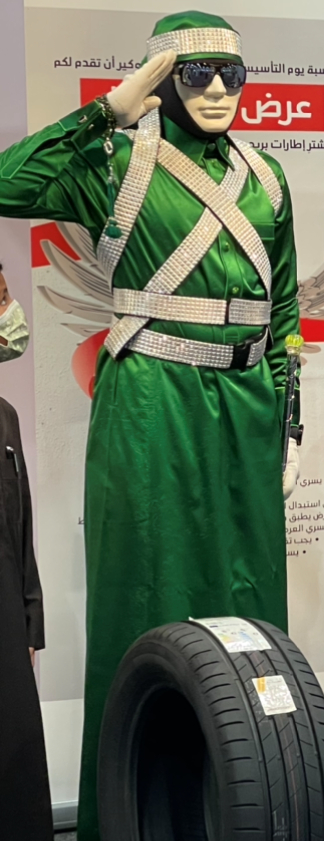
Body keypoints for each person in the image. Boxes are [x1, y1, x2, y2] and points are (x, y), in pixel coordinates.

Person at [0, 12, 302, 837]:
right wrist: (109, 109)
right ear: (162, 80)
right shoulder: (115, 163)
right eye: (195, 74)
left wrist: (291, 420)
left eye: (231, 75)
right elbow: (7, 184)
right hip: (150, 399)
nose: (217, 90)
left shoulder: (269, 177)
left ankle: (243, 807)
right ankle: (139, 818)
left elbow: (282, 313)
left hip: (247, 403)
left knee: (249, 606)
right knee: (148, 594)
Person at [0, 269, 51, 841]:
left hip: (8, 623)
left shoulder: (6, 416)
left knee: (16, 756)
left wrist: (31, 617)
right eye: (1, 301)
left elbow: (21, 522)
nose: (11, 313)